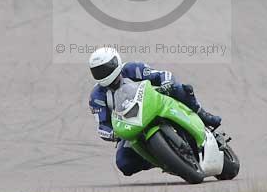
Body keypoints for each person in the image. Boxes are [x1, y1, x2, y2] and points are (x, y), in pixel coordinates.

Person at [87, 46, 222, 176]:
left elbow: (162, 75)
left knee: (180, 89)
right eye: (97, 71)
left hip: (153, 104)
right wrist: (113, 134)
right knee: (124, 163)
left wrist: (166, 83)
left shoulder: (132, 69)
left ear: (115, 63)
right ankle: (162, 159)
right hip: (131, 126)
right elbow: (102, 125)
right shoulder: (96, 96)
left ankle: (203, 115)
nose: (102, 73)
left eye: (105, 68)